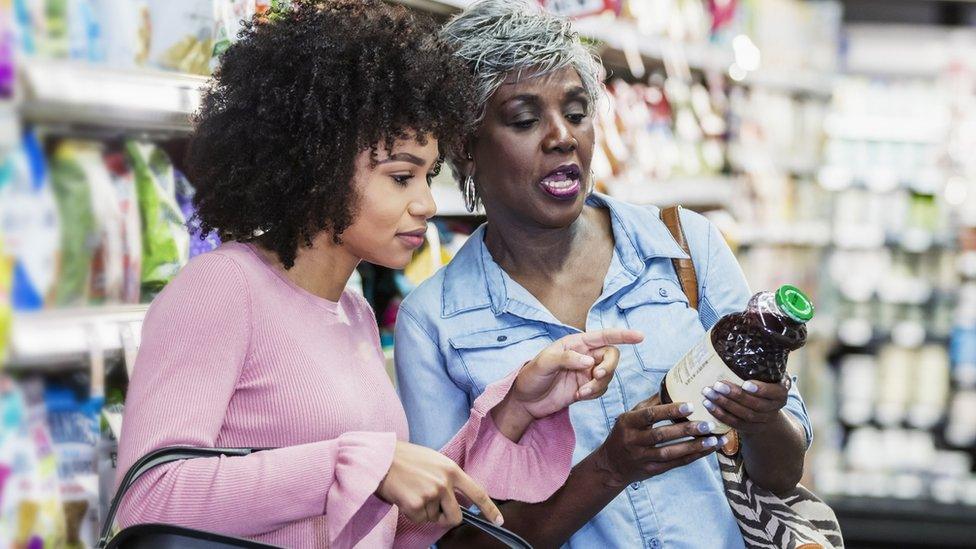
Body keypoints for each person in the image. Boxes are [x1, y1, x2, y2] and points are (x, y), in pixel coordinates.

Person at [114, 2, 643, 548]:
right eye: (400, 178)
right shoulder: (221, 289)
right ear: (318, 164)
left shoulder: (353, 314)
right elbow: (149, 496)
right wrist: (362, 463)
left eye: (428, 177)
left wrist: (514, 412)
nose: (425, 204)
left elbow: (391, 524)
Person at [395, 1, 814, 547]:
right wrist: (609, 468)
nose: (561, 137)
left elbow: (782, 474)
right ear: (464, 148)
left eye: (576, 111)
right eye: (525, 120)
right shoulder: (435, 322)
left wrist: (759, 420)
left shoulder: (684, 248)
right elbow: (453, 540)